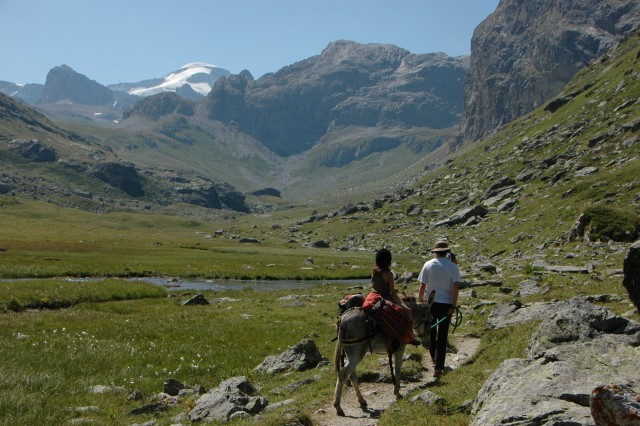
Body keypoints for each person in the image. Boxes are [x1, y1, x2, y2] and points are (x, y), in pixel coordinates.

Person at [418, 241, 460, 376]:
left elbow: (422, 286)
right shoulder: (453, 267)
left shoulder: (428, 265)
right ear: (447, 252)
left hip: (431, 304)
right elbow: (455, 288)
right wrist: (453, 305)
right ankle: (439, 366)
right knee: (442, 335)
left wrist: (422, 300)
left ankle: (434, 359)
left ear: (435, 252)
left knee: (431, 333)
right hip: (446, 304)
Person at [364, 248, 420, 346]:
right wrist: (395, 292)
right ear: (388, 261)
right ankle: (409, 337)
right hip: (385, 297)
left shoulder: (374, 272)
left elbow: (374, 286)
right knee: (408, 311)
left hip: (373, 296)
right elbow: (392, 292)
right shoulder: (389, 274)